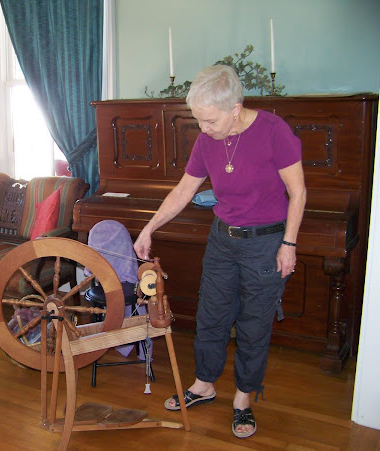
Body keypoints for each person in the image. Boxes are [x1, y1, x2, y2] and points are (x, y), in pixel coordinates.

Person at [133, 65, 306, 438]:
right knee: (211, 314)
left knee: (254, 324)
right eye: (199, 120)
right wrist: (149, 227)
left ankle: (243, 398)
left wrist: (289, 244)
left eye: (209, 120)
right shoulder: (207, 140)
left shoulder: (275, 132)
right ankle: (204, 384)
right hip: (222, 241)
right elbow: (183, 191)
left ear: (235, 108)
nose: (203, 129)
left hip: (265, 243)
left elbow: (299, 192)